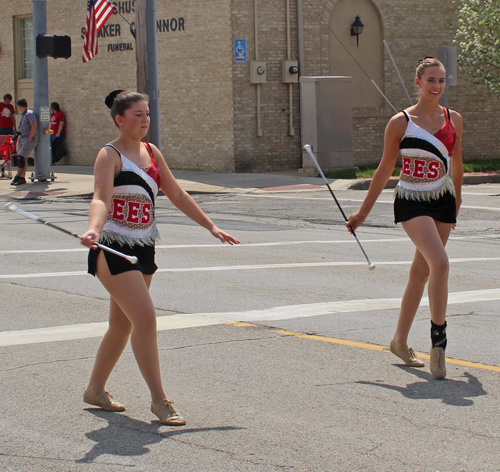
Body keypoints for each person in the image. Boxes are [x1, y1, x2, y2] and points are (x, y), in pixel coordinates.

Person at [80, 90, 241, 425]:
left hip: (144, 247)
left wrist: (211, 227)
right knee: (146, 320)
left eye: (147, 114)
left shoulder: (152, 153)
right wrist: (94, 229)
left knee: (121, 324)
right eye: (137, 115)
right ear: (119, 120)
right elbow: (100, 196)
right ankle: (159, 400)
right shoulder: (109, 155)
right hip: (112, 247)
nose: (145, 121)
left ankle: (95, 389)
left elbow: (178, 193)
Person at [346, 57, 463, 379]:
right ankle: (439, 344)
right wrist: (362, 212)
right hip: (412, 201)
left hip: (444, 200)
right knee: (440, 264)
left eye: (441, 80)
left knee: (421, 271)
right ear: (418, 83)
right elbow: (385, 169)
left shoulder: (454, 118)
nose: (437, 86)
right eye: (431, 80)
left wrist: (458, 202)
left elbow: (457, 163)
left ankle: (398, 341)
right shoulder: (400, 122)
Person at [11, 98, 37, 186]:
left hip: (28, 139)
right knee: (23, 158)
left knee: (21, 158)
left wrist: (30, 137)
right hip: (22, 138)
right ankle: (22, 177)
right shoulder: (24, 114)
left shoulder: (29, 114)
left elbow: (34, 125)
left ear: (18, 106)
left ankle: (18, 176)